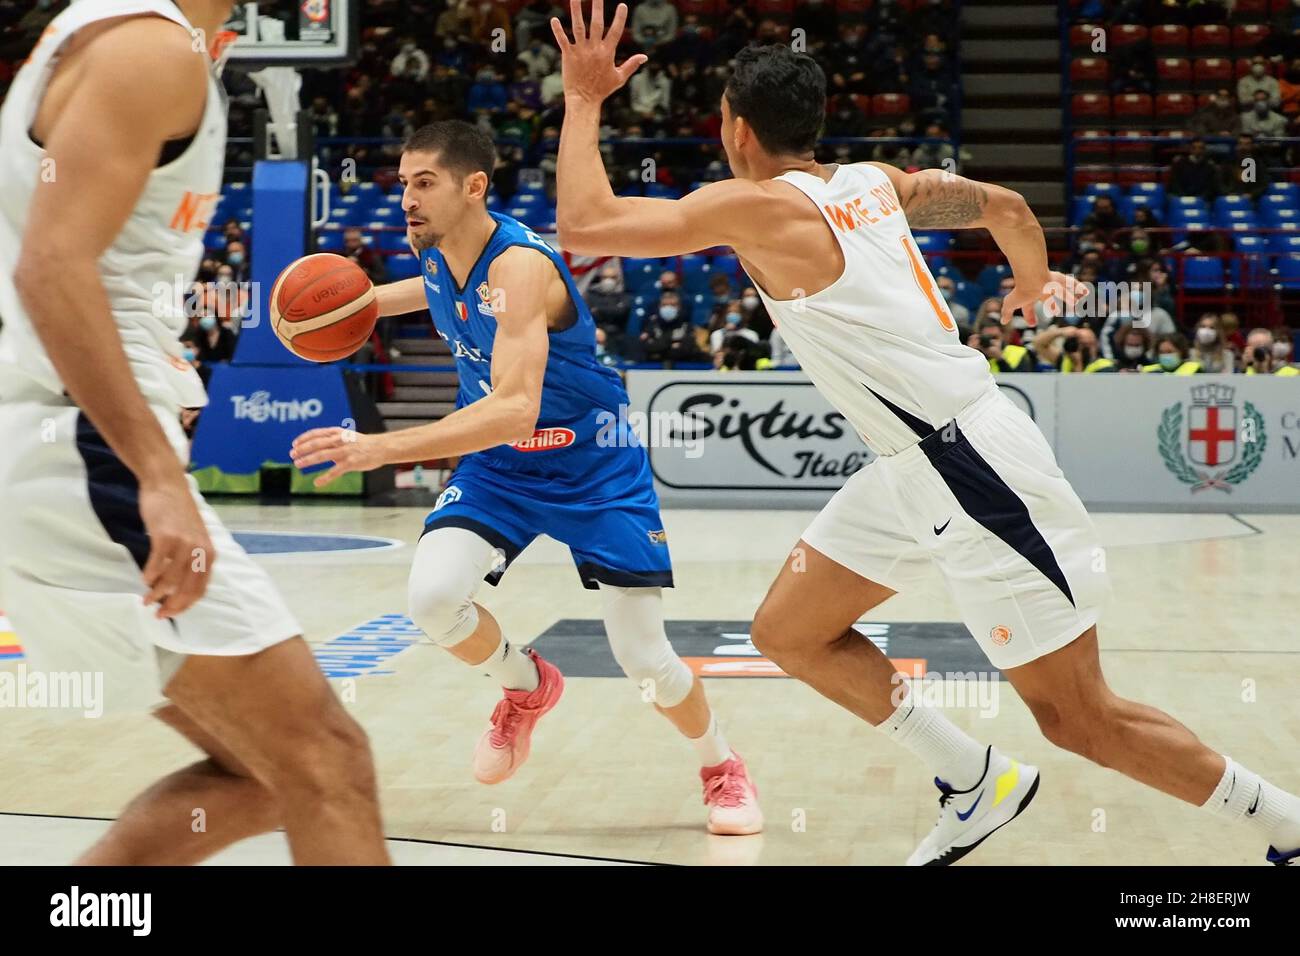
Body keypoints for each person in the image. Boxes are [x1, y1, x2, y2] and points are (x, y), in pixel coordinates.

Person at [549, 4, 1300, 867]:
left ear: (738, 130)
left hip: (971, 471)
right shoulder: (876, 183)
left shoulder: (756, 207)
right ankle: (975, 778)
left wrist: (582, 98)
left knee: (1080, 717)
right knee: (791, 633)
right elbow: (1008, 206)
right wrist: (1029, 282)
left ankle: (1286, 824)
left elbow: (584, 227)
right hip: (911, 468)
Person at [289, 121, 762, 835]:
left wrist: (382, 448)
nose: (405, 198)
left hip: (593, 465)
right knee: (433, 597)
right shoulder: (442, 262)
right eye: (401, 182)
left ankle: (721, 766)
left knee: (644, 660)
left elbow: (514, 409)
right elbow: (387, 300)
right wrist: (309, 312)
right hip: (504, 470)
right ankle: (526, 685)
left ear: (473, 187)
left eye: (424, 183)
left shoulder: (518, 268)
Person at [0, 0, 389, 866]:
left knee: (262, 771)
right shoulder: (149, 49)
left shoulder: (110, 35)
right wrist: (157, 473)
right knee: (328, 760)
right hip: (85, 455)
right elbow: (50, 267)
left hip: (54, 449)